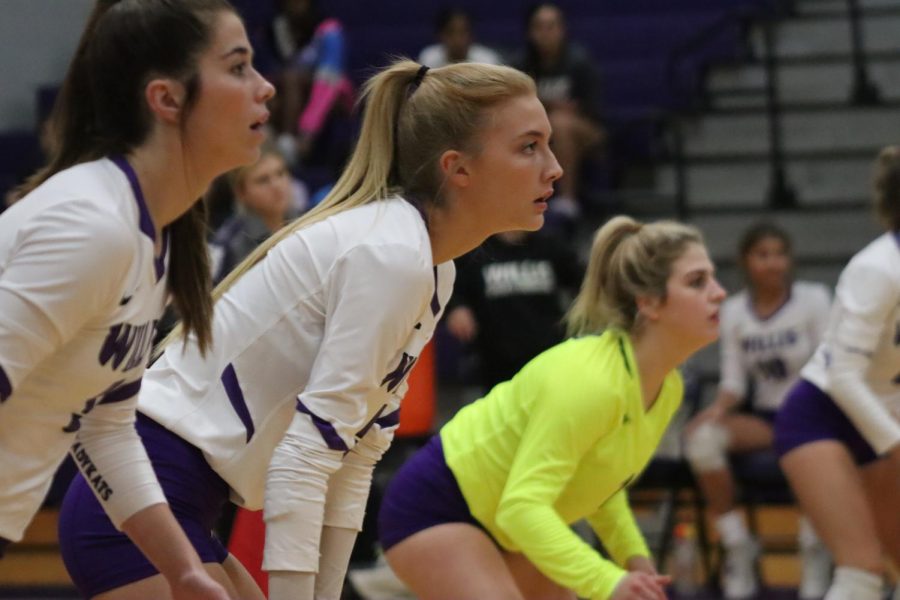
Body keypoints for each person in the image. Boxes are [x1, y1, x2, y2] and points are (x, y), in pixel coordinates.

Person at [57, 59, 562, 600]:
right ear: (457, 168)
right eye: (528, 146)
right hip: (137, 495)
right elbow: (306, 455)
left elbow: (357, 452)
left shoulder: (433, 268)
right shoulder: (390, 253)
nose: (553, 168)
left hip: (182, 501)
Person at [0, 0, 274, 598]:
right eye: (238, 67)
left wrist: (183, 570)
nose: (265, 87)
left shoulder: (148, 237)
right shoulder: (93, 226)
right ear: (167, 99)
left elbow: (106, 429)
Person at [379, 215, 727, 600]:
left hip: (506, 524)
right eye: (698, 282)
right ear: (648, 303)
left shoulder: (667, 387)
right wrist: (607, 581)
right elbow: (522, 506)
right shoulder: (591, 383)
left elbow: (601, 485)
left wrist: (634, 559)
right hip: (437, 507)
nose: (719, 293)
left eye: (711, 278)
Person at [774, 146, 900, 600]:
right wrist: (894, 443)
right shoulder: (878, 269)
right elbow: (844, 374)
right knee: (863, 569)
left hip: (884, 418)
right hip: (821, 416)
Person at [683, 222, 833, 599]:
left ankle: (814, 554)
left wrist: (810, 413)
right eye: (763, 255)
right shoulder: (733, 310)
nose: (773, 263)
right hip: (768, 417)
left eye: (780, 254)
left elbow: (830, 365)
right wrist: (714, 411)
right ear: (746, 261)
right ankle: (738, 546)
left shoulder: (813, 299)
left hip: (814, 413)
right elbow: (734, 382)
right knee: (701, 441)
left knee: (809, 446)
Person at [445, 229, 583, 392]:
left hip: (548, 356)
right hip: (496, 361)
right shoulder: (476, 249)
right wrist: (456, 308)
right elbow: (450, 285)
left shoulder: (549, 244)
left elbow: (585, 282)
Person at [514, 2, 605, 222]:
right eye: (539, 26)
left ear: (562, 29)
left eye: (551, 26)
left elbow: (593, 110)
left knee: (560, 123)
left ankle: (568, 201)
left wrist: (550, 109)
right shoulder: (521, 64)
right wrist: (553, 105)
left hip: (588, 131)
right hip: (539, 131)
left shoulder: (579, 62)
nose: (546, 33)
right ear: (530, 32)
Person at [269, 0, 355, 167]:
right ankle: (275, 152)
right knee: (274, 100)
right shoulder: (277, 27)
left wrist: (307, 132)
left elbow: (327, 83)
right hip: (292, 93)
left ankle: (288, 142)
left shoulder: (330, 30)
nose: (295, 5)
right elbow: (276, 72)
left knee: (292, 79)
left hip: (333, 94)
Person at [209, 140, 308, 284]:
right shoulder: (227, 246)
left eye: (280, 173)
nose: (277, 185)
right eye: (263, 180)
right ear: (241, 193)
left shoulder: (310, 221)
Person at [417, 7, 503, 68]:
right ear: (440, 35)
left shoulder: (487, 61)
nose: (457, 39)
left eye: (463, 32)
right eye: (450, 32)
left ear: (472, 35)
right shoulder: (428, 59)